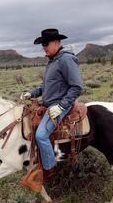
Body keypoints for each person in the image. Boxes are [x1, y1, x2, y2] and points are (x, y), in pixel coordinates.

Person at [21, 28, 83, 179]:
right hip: (49, 104)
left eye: (46, 44)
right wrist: (32, 93)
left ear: (56, 42)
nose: (43, 47)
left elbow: (77, 87)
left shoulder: (65, 59)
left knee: (41, 135)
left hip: (60, 106)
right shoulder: (52, 61)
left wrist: (61, 106)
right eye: (42, 44)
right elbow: (45, 87)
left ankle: (49, 169)